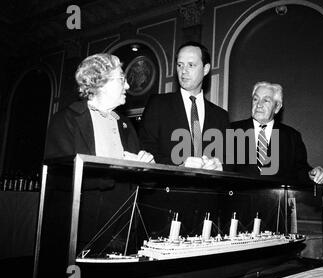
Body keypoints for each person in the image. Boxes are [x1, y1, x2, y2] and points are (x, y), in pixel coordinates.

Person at [44, 53, 154, 255]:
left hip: (122, 229)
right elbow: (60, 177)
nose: (128, 86)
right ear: (99, 81)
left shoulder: (125, 124)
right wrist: (115, 166)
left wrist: (146, 164)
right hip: (82, 229)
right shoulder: (67, 120)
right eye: (122, 79)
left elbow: (137, 178)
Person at [139, 41, 229, 171]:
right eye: (180, 65)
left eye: (191, 65)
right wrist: (179, 167)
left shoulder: (221, 116)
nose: (183, 71)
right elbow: (146, 151)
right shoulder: (158, 105)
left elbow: (230, 161)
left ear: (205, 69)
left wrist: (220, 166)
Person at [231, 81, 323, 185]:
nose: (259, 104)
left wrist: (312, 174)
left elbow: (300, 170)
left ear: (277, 107)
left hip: (277, 199)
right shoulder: (231, 130)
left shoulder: (292, 137)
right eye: (256, 99)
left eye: (266, 100)